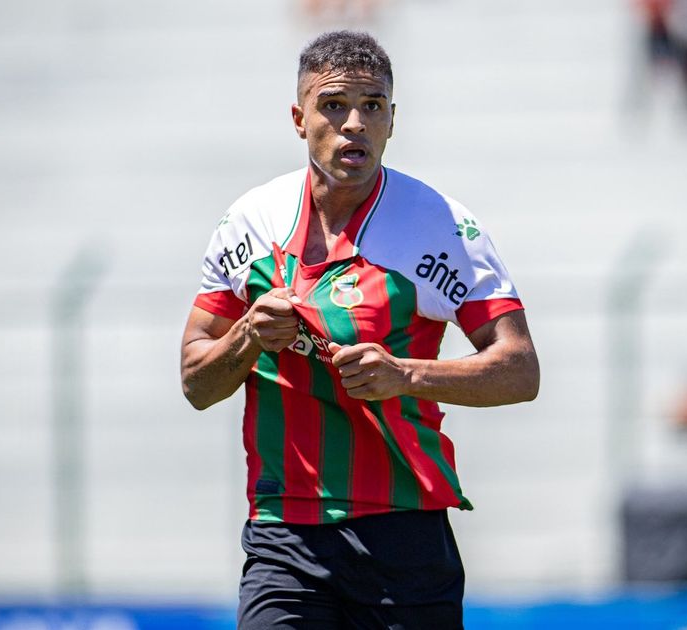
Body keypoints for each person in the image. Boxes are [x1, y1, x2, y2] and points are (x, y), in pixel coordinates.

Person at [181, 30, 540, 629]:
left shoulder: (440, 226)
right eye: (334, 106)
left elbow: (519, 369)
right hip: (283, 533)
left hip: (403, 532)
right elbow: (196, 382)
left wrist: (405, 374)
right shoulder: (250, 222)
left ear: (393, 121)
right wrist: (246, 335)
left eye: (372, 106)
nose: (354, 123)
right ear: (299, 118)